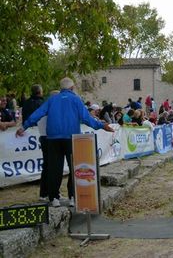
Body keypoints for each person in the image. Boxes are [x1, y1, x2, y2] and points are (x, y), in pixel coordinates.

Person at [16, 77, 114, 208]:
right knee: (74, 167)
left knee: (54, 169)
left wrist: (24, 127)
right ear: (72, 88)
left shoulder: (51, 99)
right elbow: (86, 118)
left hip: (53, 138)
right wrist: (101, 125)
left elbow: (37, 113)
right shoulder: (76, 100)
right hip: (71, 137)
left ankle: (54, 198)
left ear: (61, 88)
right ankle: (73, 196)